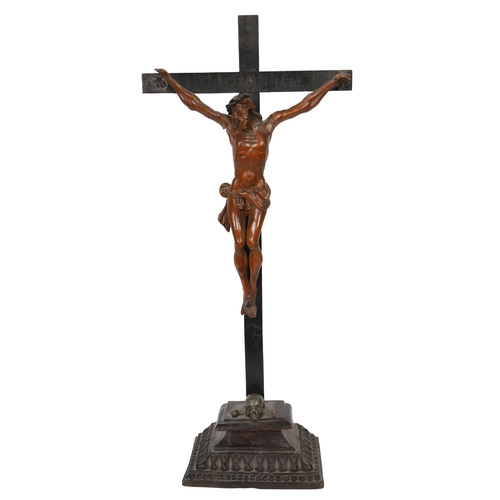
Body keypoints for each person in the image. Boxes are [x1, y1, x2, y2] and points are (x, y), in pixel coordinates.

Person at [155, 68, 350, 317]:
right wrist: (170, 80)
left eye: (237, 113)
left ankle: (253, 290)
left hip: (258, 192)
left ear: (247, 109)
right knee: (238, 244)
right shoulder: (231, 128)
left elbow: (304, 105)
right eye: (232, 115)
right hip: (237, 192)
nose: (234, 118)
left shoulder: (268, 125)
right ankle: (246, 292)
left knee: (251, 242)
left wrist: (331, 83)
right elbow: (196, 105)